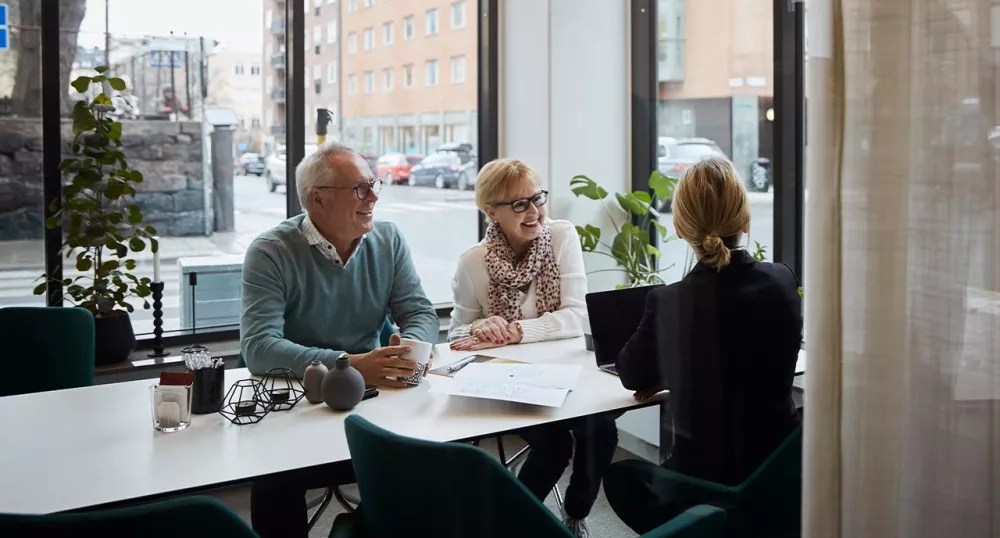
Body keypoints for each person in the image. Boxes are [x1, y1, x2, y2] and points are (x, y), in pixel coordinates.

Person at [240, 141, 439, 538]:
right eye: (360, 189)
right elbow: (259, 347)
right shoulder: (271, 251)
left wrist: (411, 348)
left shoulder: (388, 239)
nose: (372, 198)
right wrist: (351, 363)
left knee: (431, 464)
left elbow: (419, 312)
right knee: (274, 483)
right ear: (318, 199)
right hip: (299, 406)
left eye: (373, 185)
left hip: (373, 403)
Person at [602, 156, 802, 534]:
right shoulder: (782, 280)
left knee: (622, 478)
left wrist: (671, 372)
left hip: (704, 480)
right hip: (781, 471)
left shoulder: (671, 301)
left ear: (679, 228)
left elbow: (630, 373)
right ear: (744, 221)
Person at [448, 158, 617, 538]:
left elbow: (579, 316)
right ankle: (514, 523)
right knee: (555, 443)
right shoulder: (472, 263)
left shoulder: (561, 236)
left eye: (536, 198)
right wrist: (480, 325)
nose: (534, 211)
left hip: (567, 375)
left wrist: (518, 331)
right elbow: (456, 335)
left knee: (602, 432)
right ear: (491, 211)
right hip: (509, 381)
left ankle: (574, 514)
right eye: (519, 204)